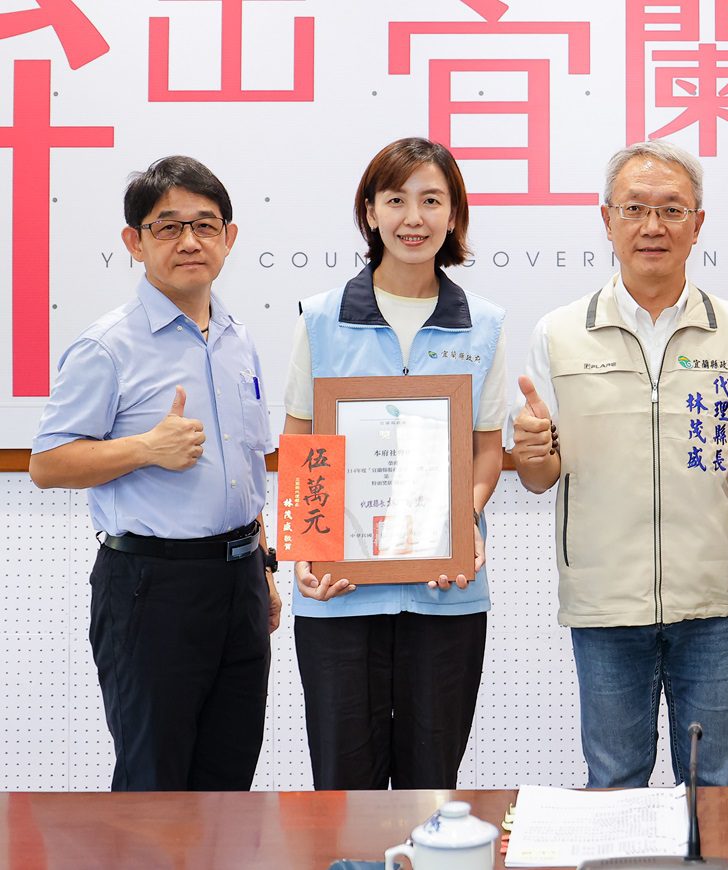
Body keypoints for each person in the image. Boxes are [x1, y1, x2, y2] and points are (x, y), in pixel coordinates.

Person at [509, 139, 728, 788]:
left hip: (713, 598)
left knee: (715, 784)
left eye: (671, 209)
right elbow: (539, 478)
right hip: (605, 598)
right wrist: (531, 455)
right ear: (606, 220)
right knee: (613, 781)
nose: (652, 226)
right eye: (634, 208)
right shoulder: (559, 333)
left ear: (698, 223)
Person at [30, 156, 278, 791]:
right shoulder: (107, 345)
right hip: (151, 588)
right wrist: (144, 448)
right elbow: (47, 464)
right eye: (168, 226)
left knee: (229, 783)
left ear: (229, 237)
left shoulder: (238, 340)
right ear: (134, 241)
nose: (190, 241)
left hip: (242, 583)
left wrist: (264, 567)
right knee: (154, 789)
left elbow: (247, 466)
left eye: (205, 224)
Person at [284, 137, 506, 790]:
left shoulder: (482, 324)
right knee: (342, 790)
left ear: (454, 213)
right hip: (339, 596)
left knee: (430, 787)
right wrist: (305, 551)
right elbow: (301, 442)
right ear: (370, 211)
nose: (414, 218)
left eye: (431, 201)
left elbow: (486, 450)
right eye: (396, 200)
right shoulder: (321, 319)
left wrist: (462, 520)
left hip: (445, 591)